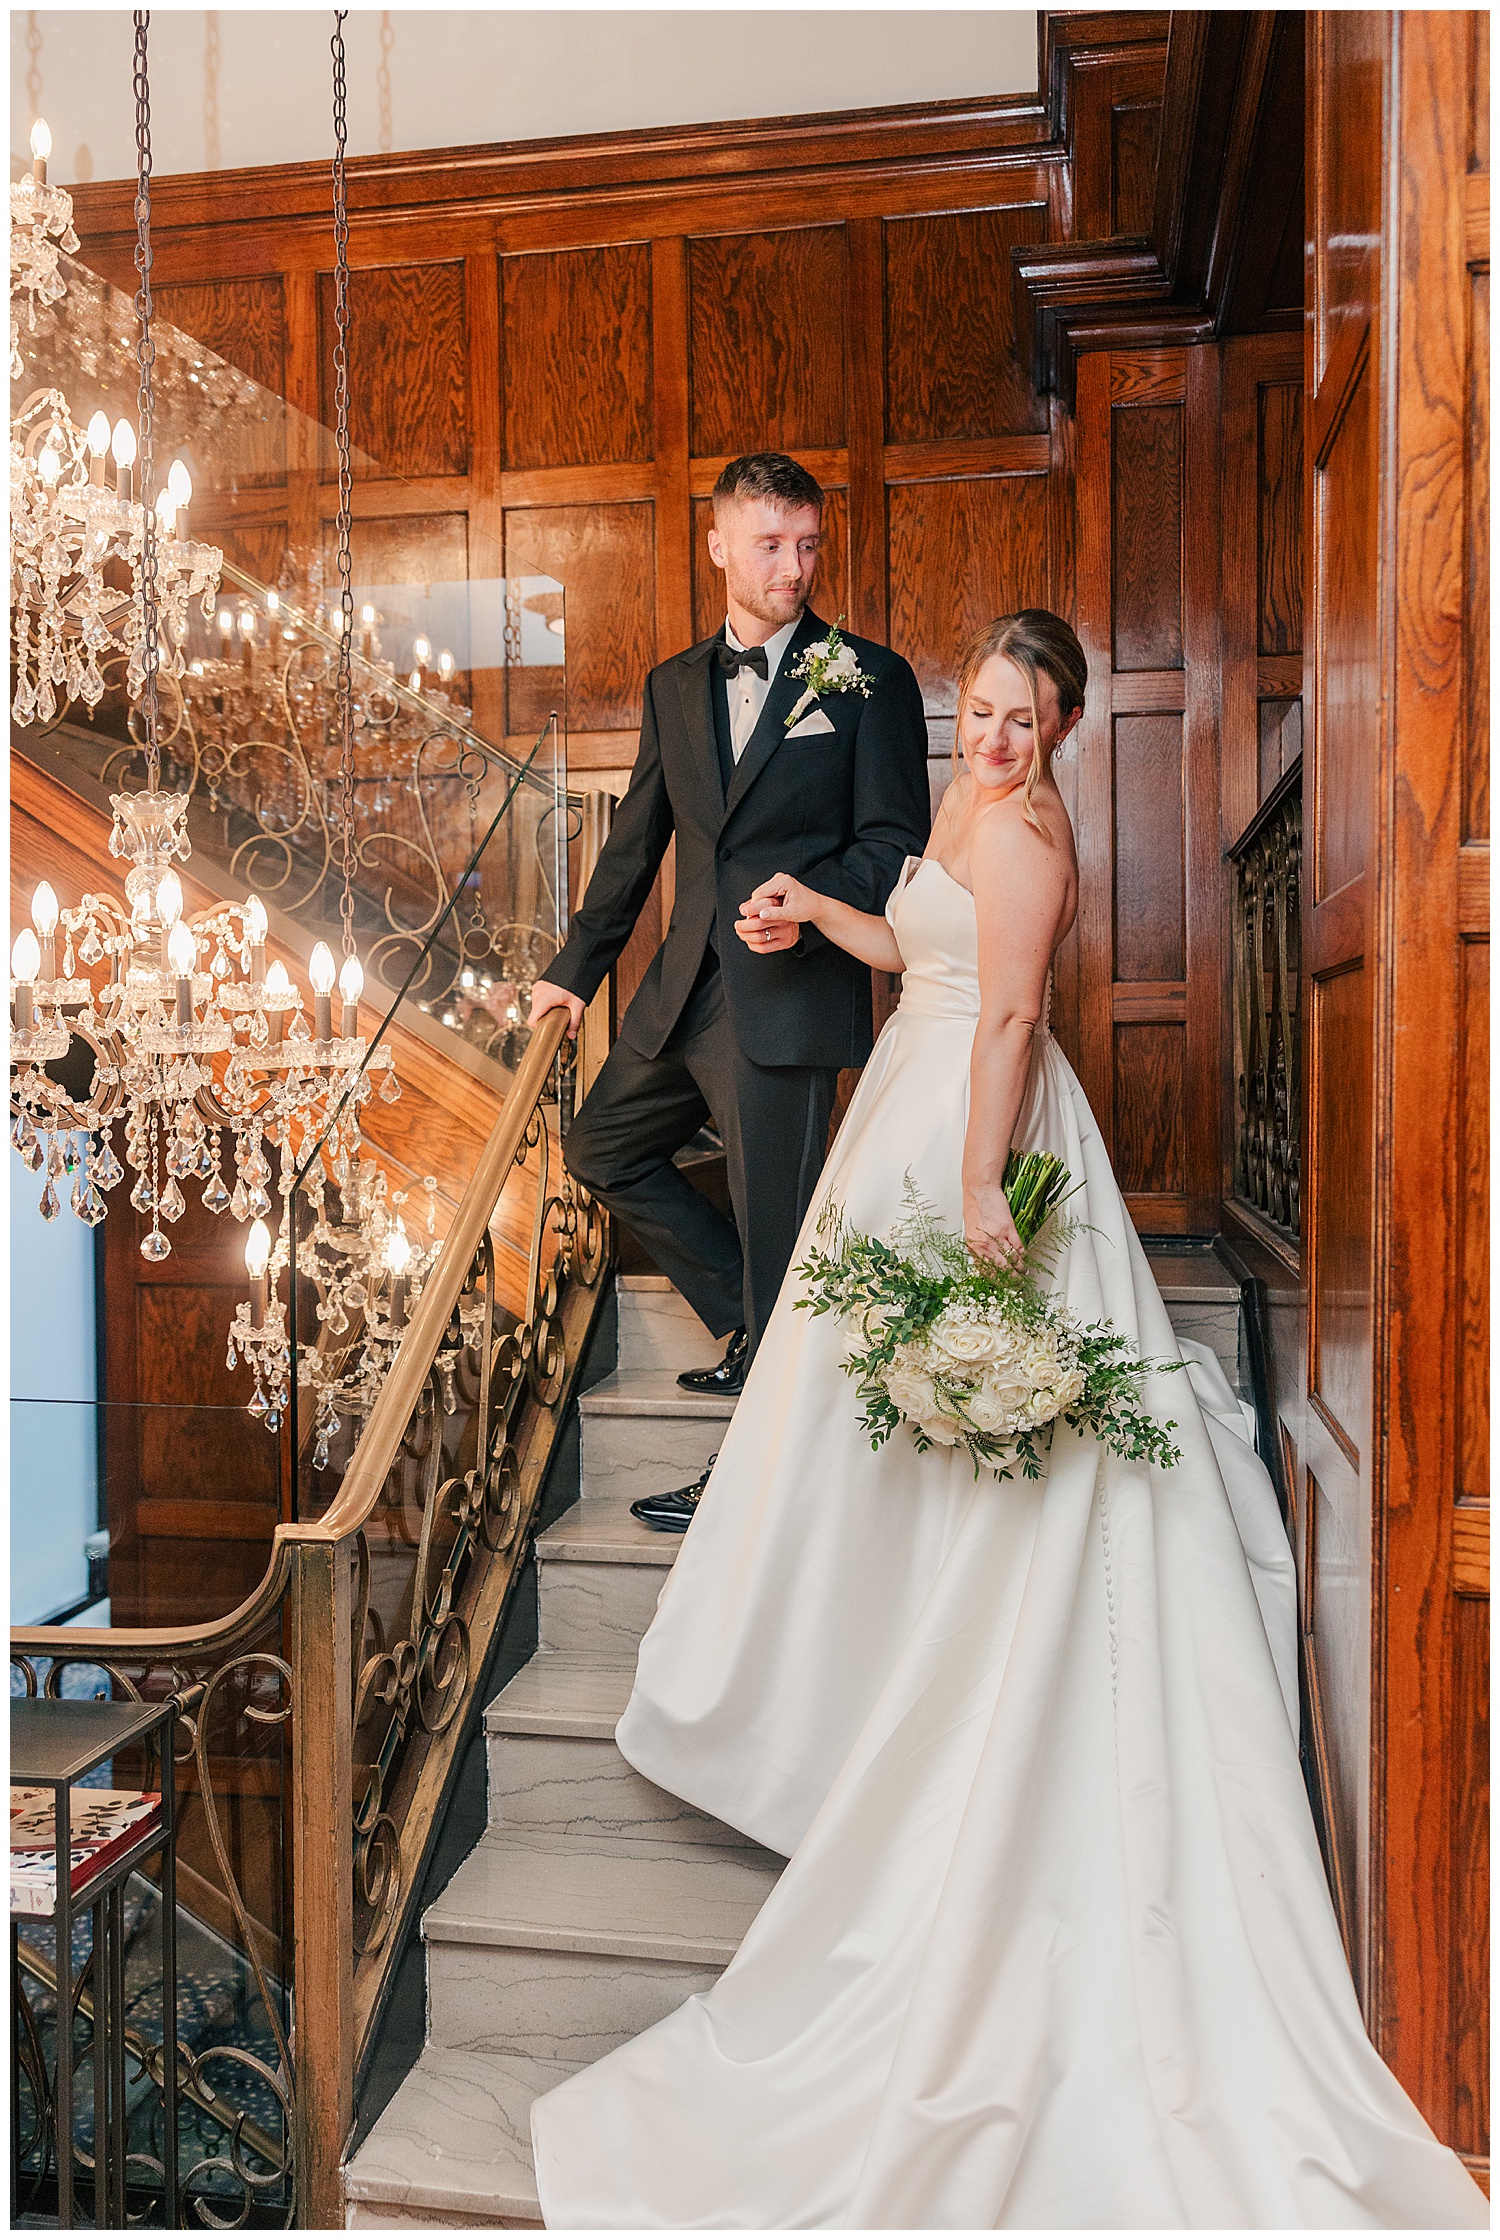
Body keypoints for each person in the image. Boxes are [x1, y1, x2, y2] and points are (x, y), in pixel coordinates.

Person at [529, 611, 1486, 2228]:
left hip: (973, 1137)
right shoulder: (959, 813)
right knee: (856, 1440)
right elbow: (924, 954)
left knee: (966, 1450)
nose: (992, 738)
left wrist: (982, 1188)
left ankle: (942, 1728)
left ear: (1057, 734)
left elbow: (1014, 1020)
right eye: (979, 710)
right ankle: (840, 1708)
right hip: (909, 1100)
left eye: (1021, 721)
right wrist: (819, 905)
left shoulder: (1031, 835)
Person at [529, 450, 930, 1529]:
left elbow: (896, 839)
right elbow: (634, 844)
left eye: (808, 544)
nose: (794, 566)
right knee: (603, 1146)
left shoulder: (870, 678)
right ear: (718, 544)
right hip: (682, 991)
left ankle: (755, 1480)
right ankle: (749, 1328)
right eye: (770, 543)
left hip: (791, 993)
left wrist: (810, 899)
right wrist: (575, 974)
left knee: (785, 1234)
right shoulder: (672, 685)